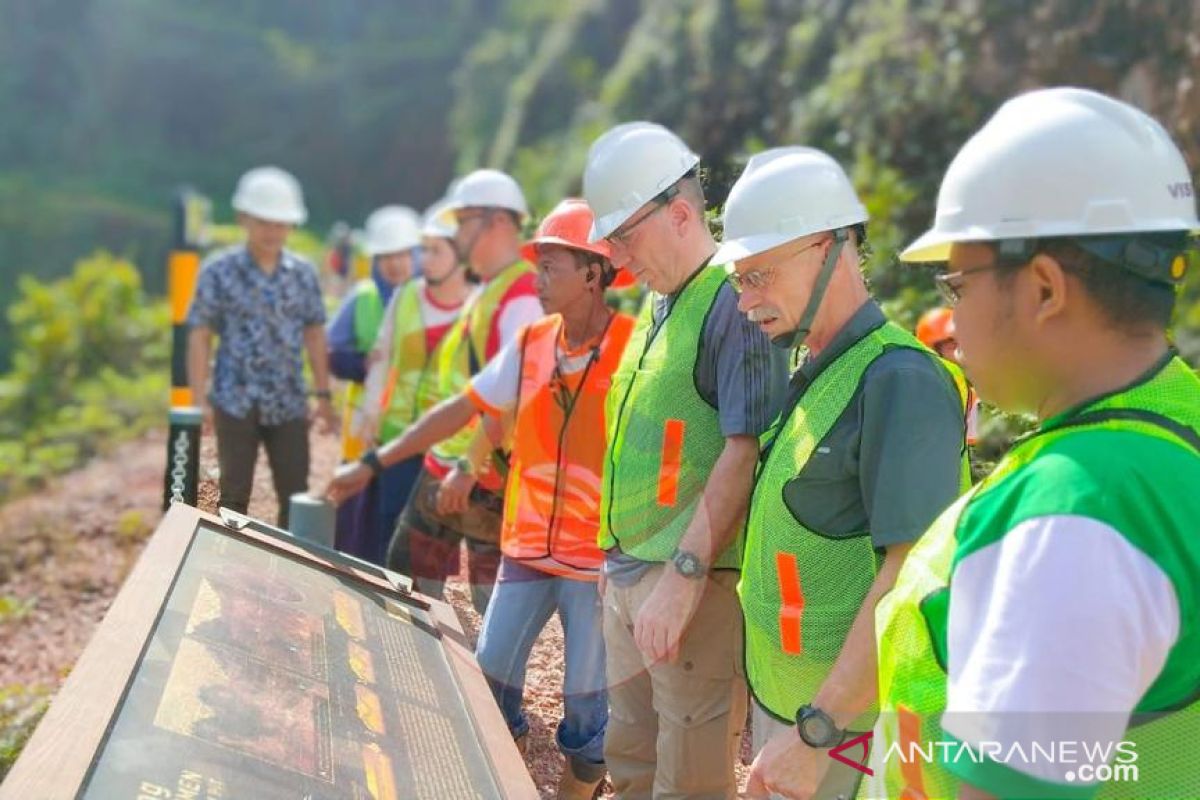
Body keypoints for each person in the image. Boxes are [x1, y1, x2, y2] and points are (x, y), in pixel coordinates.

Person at [866, 87, 1200, 800]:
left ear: (1044, 289)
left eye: (958, 283)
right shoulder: (1171, 427)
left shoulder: (1075, 514)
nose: (952, 314)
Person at [329, 198, 634, 799]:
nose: (538, 280)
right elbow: (465, 410)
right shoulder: (532, 343)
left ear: (594, 273)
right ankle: (503, 781)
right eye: (538, 267)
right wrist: (374, 462)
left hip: (594, 563)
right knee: (489, 678)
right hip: (524, 548)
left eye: (552, 268)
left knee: (586, 720)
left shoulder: (636, 350)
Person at [713, 148, 968, 800]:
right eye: (740, 280)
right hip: (797, 708)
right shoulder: (812, 365)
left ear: (829, 248)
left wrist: (816, 732)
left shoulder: (901, 381)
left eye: (759, 275)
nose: (746, 302)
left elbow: (911, 578)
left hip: (852, 735)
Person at [582, 121, 789, 798]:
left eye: (624, 236)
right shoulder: (658, 300)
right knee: (632, 757)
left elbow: (745, 450)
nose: (615, 257)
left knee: (689, 782)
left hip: (693, 592)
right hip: (631, 574)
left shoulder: (732, 299)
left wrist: (684, 575)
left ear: (678, 214)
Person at [391, 169, 543, 614]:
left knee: (487, 599)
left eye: (463, 222)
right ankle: (413, 672)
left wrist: (470, 463)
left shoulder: (522, 296)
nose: (456, 235)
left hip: (482, 469)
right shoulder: (487, 289)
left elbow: (515, 394)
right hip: (450, 461)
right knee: (410, 578)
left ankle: (489, 682)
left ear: (497, 222)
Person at [187, 166, 336, 527]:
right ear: (244, 219)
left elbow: (315, 334)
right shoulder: (218, 271)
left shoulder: (302, 274)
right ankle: (227, 568)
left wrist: (323, 394)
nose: (273, 231)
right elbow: (200, 334)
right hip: (233, 398)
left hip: (287, 399)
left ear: (291, 226)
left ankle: (284, 573)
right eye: (264, 221)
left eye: (280, 223)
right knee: (234, 492)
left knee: (294, 492)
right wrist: (199, 398)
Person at [356, 201, 473, 568]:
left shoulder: (480, 308)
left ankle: (423, 621)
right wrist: (369, 414)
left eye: (435, 250)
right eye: (422, 249)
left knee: (433, 550)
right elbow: (382, 356)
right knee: (390, 534)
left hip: (447, 447)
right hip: (399, 436)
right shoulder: (406, 296)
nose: (424, 258)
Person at [325, 205, 421, 560]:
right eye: (386, 256)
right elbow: (332, 350)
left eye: (401, 255)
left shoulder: (429, 300)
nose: (394, 263)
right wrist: (361, 364)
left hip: (408, 424)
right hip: (365, 425)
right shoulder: (363, 297)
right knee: (356, 517)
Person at [917, 306, 981, 446]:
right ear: (933, 350)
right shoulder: (924, 390)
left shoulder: (973, 391)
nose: (960, 349)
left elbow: (974, 446)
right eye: (951, 345)